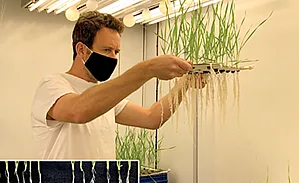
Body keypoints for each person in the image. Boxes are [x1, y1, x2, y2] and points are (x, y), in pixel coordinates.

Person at [31, 11, 200, 160]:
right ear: (81, 50)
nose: (112, 58)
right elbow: (78, 111)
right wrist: (147, 69)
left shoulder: (104, 98)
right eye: (106, 50)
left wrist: (184, 85)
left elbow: (152, 118)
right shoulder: (52, 85)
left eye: (116, 52)